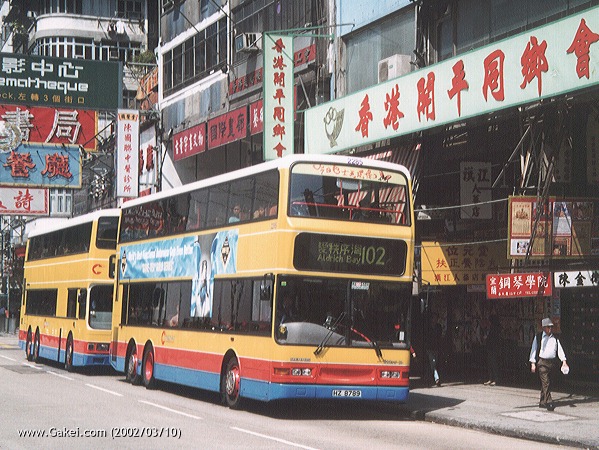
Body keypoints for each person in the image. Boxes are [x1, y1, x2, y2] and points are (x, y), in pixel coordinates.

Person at [529, 317, 569, 411]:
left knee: (547, 383)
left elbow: (560, 350)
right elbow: (534, 349)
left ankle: (542, 401)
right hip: (542, 363)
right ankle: (549, 402)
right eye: (548, 327)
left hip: (551, 363)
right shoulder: (538, 337)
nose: (550, 329)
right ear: (543, 328)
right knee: (546, 382)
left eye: (551, 327)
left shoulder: (555, 338)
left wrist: (564, 361)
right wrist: (533, 363)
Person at [483, 314, 501, 386]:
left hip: (493, 348)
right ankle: (490, 379)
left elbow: (493, 338)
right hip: (490, 348)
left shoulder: (495, 329)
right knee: (490, 363)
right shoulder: (490, 328)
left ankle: (495, 379)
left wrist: (487, 338)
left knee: (493, 363)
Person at [425, 319, 443, 387]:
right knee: (433, 363)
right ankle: (437, 378)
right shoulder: (429, 328)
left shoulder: (438, 327)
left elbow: (440, 336)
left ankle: (427, 377)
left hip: (436, 348)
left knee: (432, 364)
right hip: (430, 348)